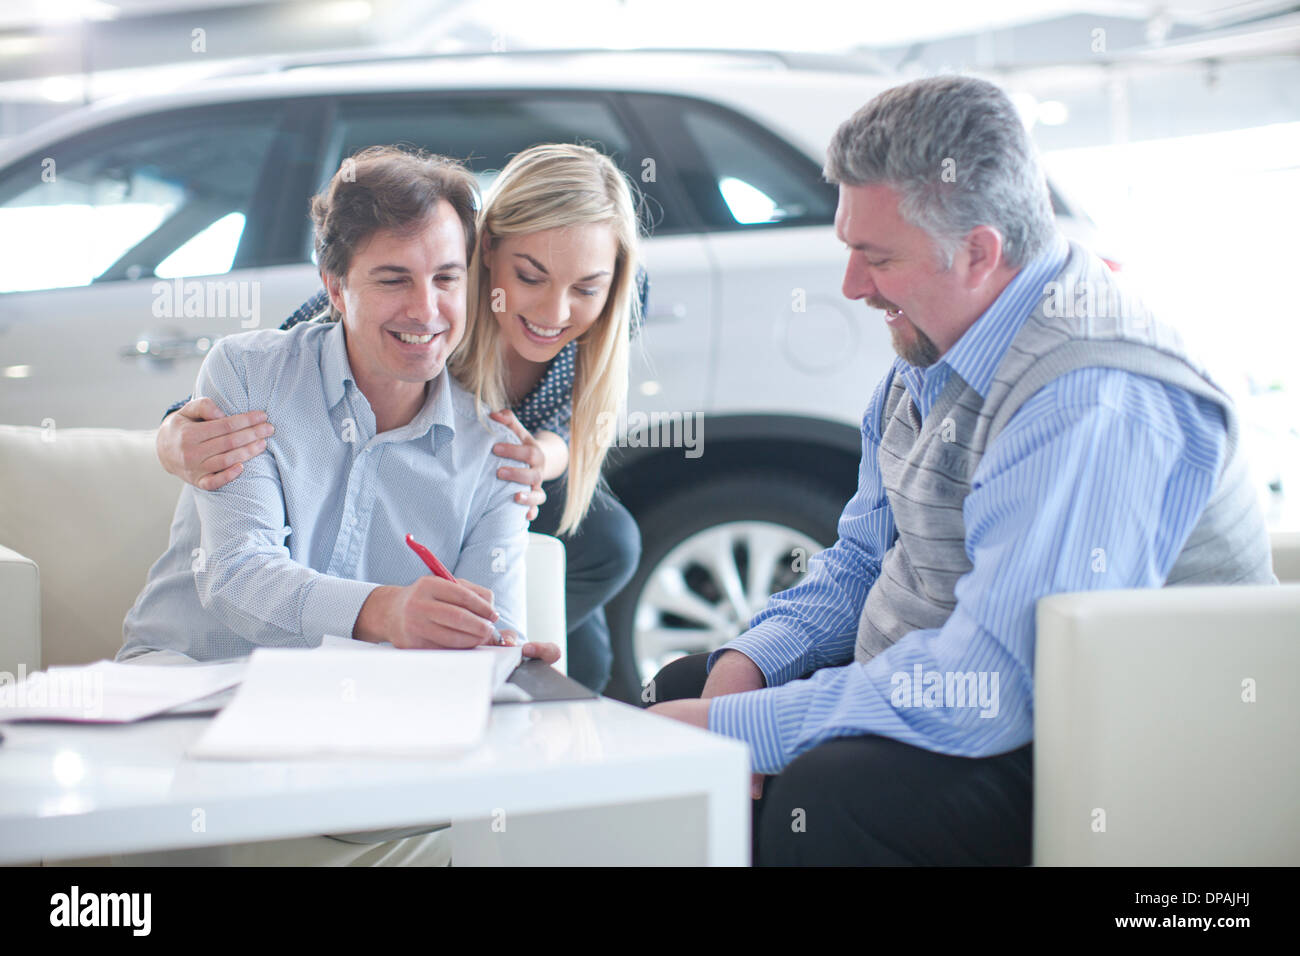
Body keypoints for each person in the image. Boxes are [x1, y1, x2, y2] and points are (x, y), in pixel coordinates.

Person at [646, 75, 1276, 866]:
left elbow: (990, 685)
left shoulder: (1089, 392)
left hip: (1110, 741)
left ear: (980, 251)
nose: (851, 287)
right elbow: (860, 562)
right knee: (685, 685)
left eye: (875, 258)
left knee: (826, 794)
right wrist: (751, 664)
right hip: (957, 683)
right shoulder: (935, 346)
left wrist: (742, 730)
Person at [116, 146, 560, 865]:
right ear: (334, 285)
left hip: (358, 711)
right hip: (192, 677)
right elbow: (235, 575)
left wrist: (503, 652)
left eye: (447, 278)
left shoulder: (493, 449)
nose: (426, 310)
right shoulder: (249, 372)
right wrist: (388, 611)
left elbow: (493, 628)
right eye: (393, 279)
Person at [154, 143, 646, 693]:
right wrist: (173, 430)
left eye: (583, 288)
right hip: (203, 681)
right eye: (530, 276)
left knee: (600, 596)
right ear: (488, 253)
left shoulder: (499, 434)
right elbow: (291, 352)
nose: (556, 311)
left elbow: (583, 427)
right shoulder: (266, 368)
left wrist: (495, 651)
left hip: (365, 682)